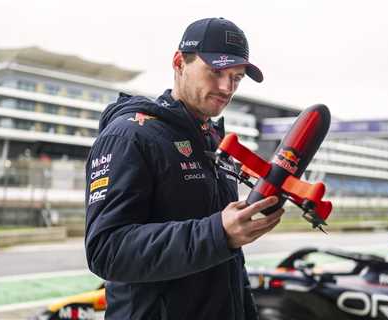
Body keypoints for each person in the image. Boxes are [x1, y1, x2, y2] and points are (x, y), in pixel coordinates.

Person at [85, 17, 284, 320]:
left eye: (237, 77)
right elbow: (106, 250)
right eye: (216, 71)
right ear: (179, 62)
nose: (226, 87)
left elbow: (229, 263)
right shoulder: (129, 135)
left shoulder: (214, 141)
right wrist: (218, 232)